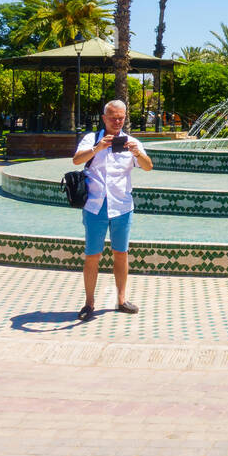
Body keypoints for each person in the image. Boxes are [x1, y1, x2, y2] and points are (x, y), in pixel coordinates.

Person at [71, 100, 153, 320]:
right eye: (113, 117)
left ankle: (121, 299)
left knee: (121, 253)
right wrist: (98, 148)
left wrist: (137, 153)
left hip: (122, 206)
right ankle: (89, 303)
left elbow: (148, 166)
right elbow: (76, 160)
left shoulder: (132, 142)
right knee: (92, 255)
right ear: (104, 118)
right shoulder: (91, 139)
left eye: (121, 117)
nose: (117, 121)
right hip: (95, 206)